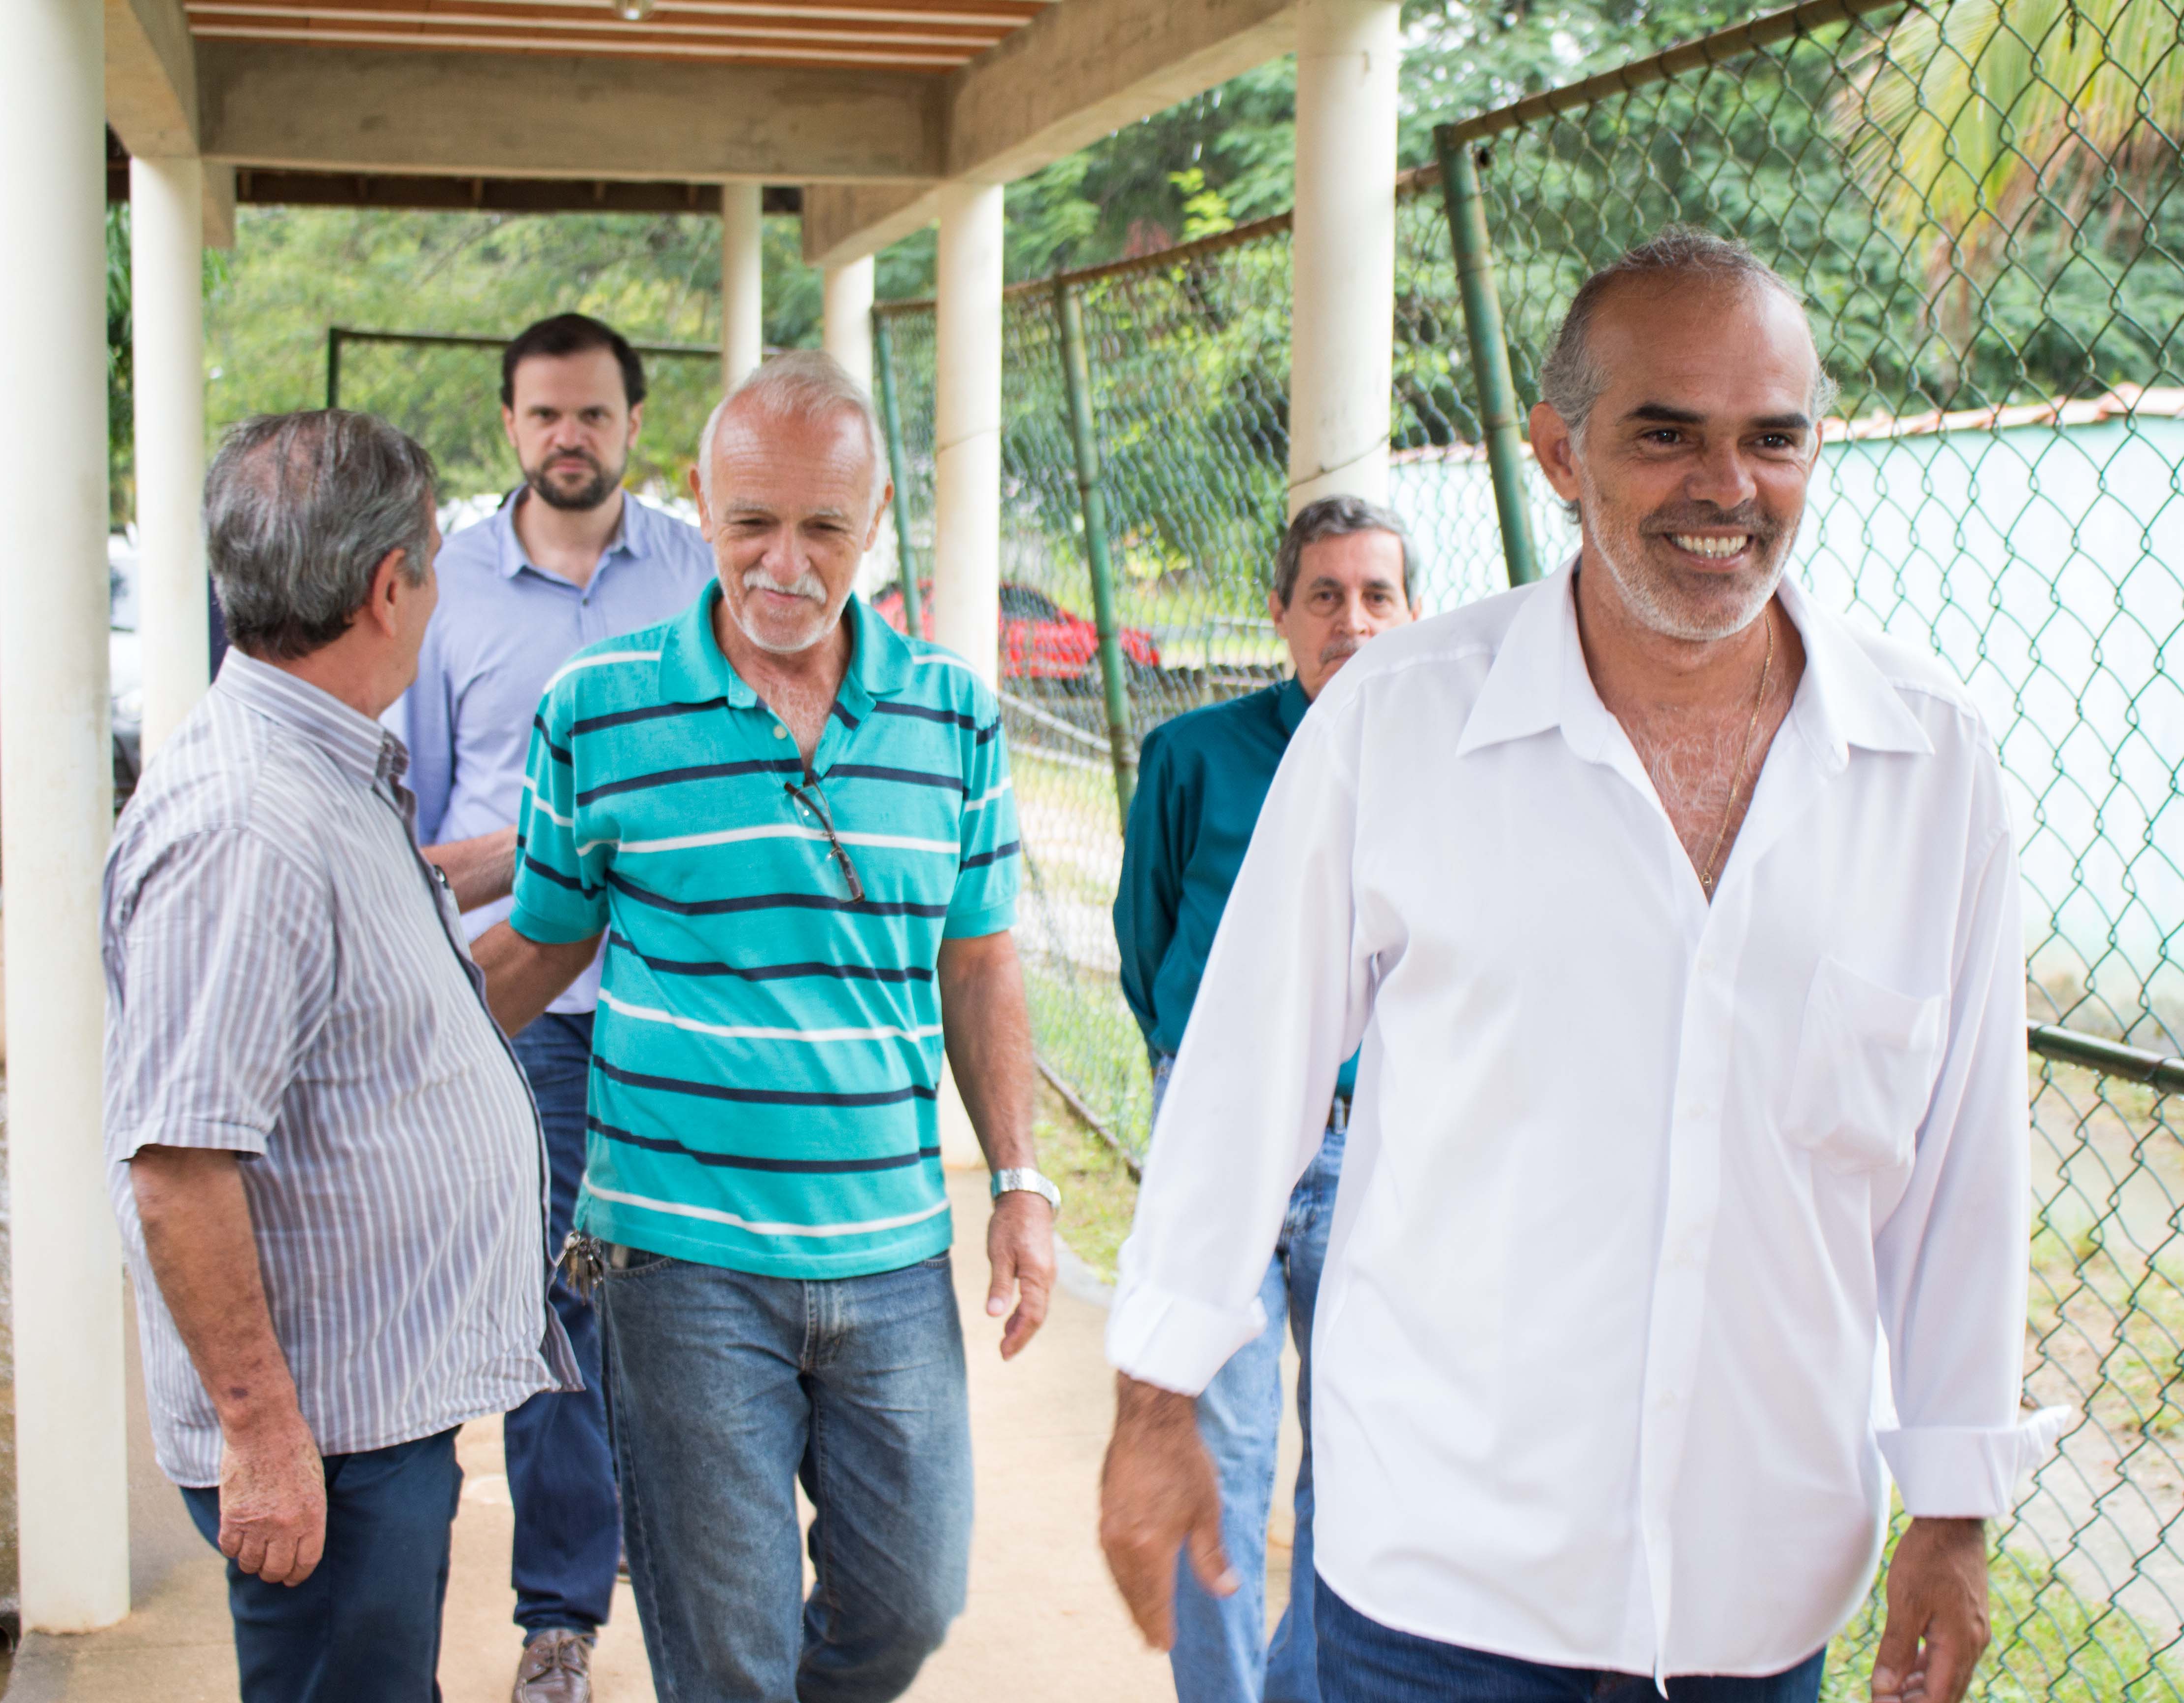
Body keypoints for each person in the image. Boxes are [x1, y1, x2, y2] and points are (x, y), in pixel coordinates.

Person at [1098, 227, 2062, 1703]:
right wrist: (1157, 1402)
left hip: (1760, 1595)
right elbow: (1244, 1075)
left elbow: (1961, 1171)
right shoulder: (1398, 726)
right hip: (1438, 1577)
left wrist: (1955, 1507)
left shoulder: (1931, 767)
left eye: (1772, 440)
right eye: (1664, 435)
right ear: (1559, 451)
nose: (1725, 488)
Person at [474, 350, 1061, 1703]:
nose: (784, 564)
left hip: (891, 1251)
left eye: (823, 530)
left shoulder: (954, 717)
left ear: (875, 527)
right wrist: (387, 1075)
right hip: (677, 1258)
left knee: (911, 1598)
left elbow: (978, 967)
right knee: (723, 1649)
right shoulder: (598, 713)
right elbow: (542, 943)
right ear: (700, 499)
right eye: (751, 524)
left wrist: (1020, 1183)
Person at [102, 410, 575, 1703]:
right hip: (324, 1444)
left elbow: (419, 1017)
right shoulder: (250, 824)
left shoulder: (325, 771)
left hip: (374, 1422)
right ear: (388, 589)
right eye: (435, 563)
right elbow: (178, 1167)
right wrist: (261, 1441)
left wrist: (567, 879)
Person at [385, 311, 714, 1703]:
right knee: (546, 1299)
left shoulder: (698, 575)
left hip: (677, 1000)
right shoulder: (446, 584)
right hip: (526, 1004)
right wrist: (538, 865)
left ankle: (673, 1539)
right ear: (509, 428)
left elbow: (714, 786)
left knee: (687, 1293)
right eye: (544, 416)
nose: (569, 437)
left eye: (593, 414)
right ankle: (561, 1611)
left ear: (633, 425)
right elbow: (426, 809)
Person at [1113, 492, 1421, 1703]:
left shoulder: (1444, 761)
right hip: (1226, 1143)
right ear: (1281, 613)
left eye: (1377, 594)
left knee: (1351, 1452)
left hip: (1379, 1149)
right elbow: (1147, 946)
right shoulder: (1196, 755)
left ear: (1411, 610)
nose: (1352, 621)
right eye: (1325, 596)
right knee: (1218, 1449)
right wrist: (1205, 1090)